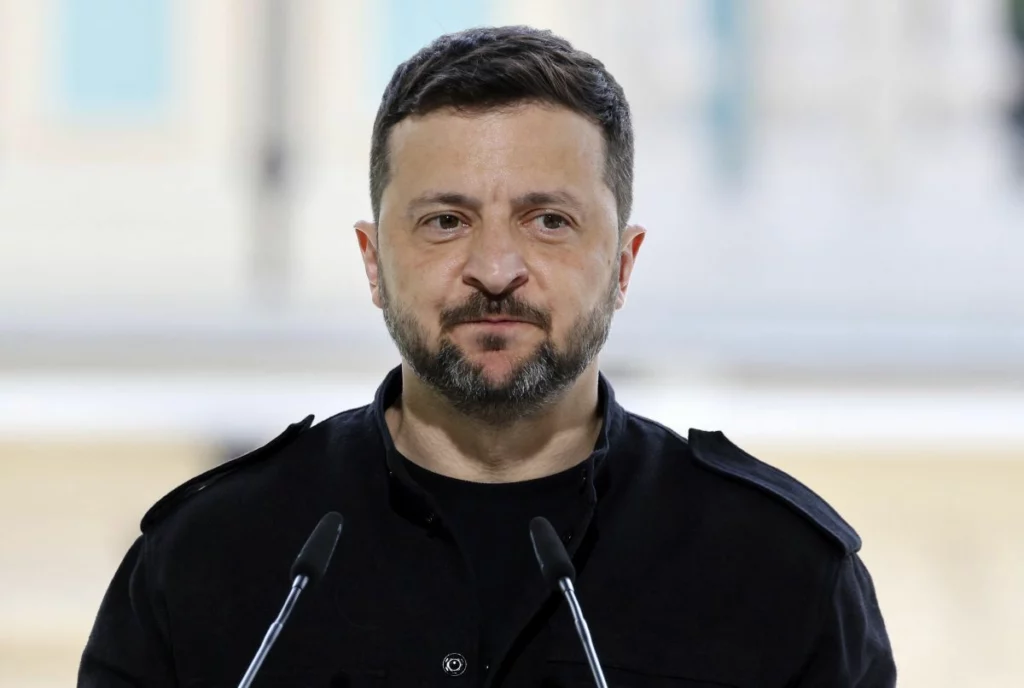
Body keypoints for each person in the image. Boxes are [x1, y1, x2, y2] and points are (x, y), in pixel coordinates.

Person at [79, 26, 896, 687]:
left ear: (623, 264)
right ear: (372, 261)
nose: (497, 269)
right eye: (446, 221)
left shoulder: (783, 572)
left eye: (548, 221)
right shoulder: (205, 560)